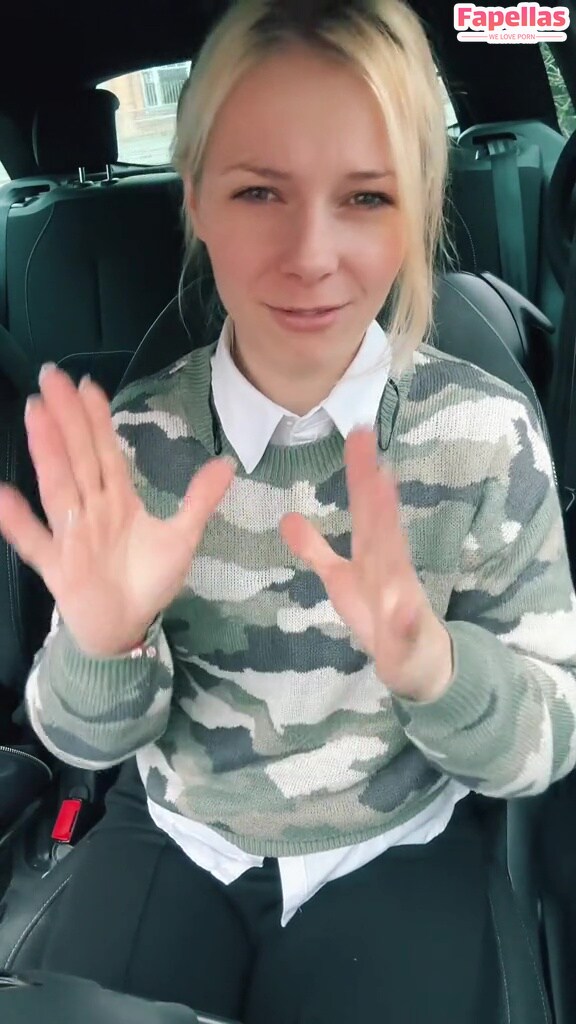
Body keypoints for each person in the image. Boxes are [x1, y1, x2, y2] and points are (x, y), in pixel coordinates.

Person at [0, 0, 575, 1021]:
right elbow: (83, 741)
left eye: (366, 196)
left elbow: (552, 735)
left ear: (418, 206)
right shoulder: (135, 443)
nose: (311, 253)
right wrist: (103, 641)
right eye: (260, 190)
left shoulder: (487, 439)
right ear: (197, 201)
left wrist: (436, 667)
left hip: (403, 835)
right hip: (175, 832)